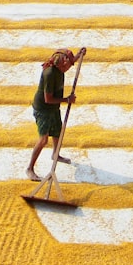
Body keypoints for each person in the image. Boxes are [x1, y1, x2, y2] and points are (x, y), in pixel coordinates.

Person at [27, 48, 84, 181]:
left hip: (53, 108)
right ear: (62, 63)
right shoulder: (50, 73)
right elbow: (48, 99)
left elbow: (70, 61)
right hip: (43, 109)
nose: (69, 68)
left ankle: (55, 154)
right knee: (43, 140)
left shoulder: (60, 67)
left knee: (58, 132)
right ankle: (29, 169)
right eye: (68, 65)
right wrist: (66, 100)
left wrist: (78, 55)